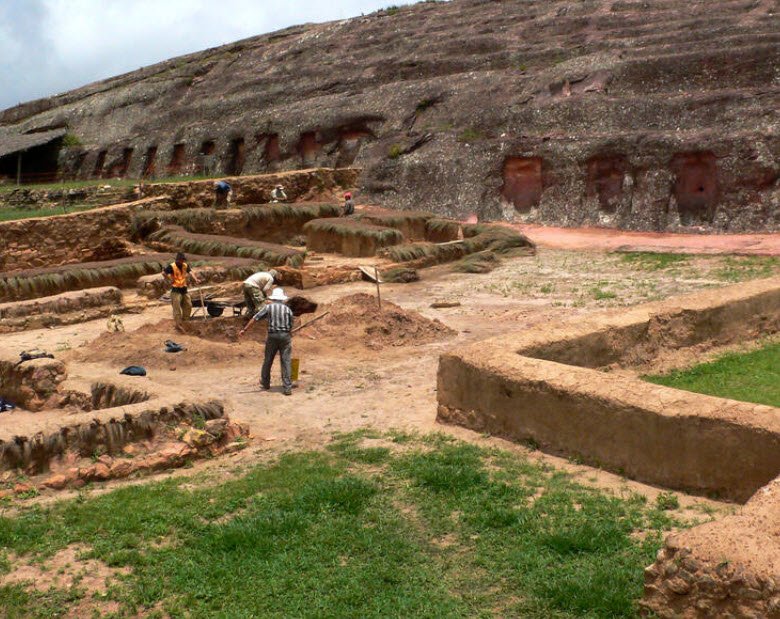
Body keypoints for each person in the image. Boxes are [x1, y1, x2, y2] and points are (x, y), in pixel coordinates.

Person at [238, 287, 294, 395]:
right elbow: (291, 323)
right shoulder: (288, 310)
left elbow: (255, 317)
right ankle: (287, 387)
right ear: (282, 299)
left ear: (273, 298)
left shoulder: (269, 307)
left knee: (268, 359)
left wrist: (244, 330)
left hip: (272, 336)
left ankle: (265, 382)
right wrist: (288, 332)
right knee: (286, 361)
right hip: (285, 336)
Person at [162, 253, 200, 328]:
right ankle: (178, 324)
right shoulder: (172, 266)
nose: (182, 261)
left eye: (183, 260)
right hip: (176, 290)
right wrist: (169, 279)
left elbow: (191, 272)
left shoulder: (185, 265)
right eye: (181, 260)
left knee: (188, 305)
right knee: (177, 308)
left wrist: (196, 279)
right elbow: (163, 273)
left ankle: (186, 321)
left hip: (184, 289)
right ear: (177, 260)